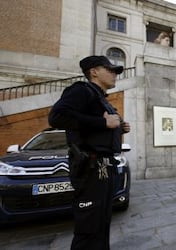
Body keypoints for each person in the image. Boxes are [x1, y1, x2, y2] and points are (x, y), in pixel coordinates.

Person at [48, 55, 130, 250]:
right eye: (110, 70)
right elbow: (57, 117)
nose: (114, 75)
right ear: (94, 72)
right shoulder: (81, 90)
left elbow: (100, 129)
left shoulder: (102, 98)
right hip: (90, 168)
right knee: (89, 227)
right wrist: (103, 122)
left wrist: (120, 127)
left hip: (105, 167)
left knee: (102, 223)